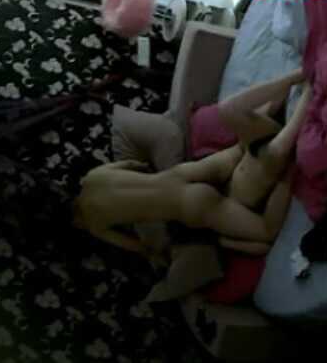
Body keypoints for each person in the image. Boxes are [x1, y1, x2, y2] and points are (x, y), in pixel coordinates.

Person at [73, 68, 311, 258]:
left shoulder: (95, 225)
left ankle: (288, 171)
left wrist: (155, 252)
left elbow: (140, 247)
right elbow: (135, 166)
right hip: (180, 174)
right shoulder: (93, 177)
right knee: (242, 147)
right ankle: (295, 83)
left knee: (266, 231)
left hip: (187, 204)